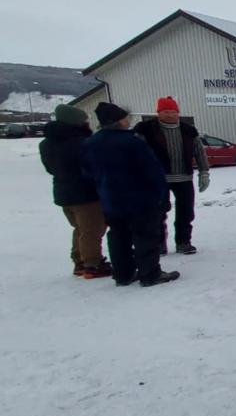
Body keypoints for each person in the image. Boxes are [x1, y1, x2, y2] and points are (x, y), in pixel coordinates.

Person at [81, 102, 179, 287]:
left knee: (118, 236)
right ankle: (150, 274)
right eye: (125, 117)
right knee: (145, 235)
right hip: (140, 199)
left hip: (110, 199)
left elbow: (87, 173)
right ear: (118, 121)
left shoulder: (90, 143)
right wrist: (161, 195)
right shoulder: (132, 142)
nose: (128, 120)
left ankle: (123, 274)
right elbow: (153, 171)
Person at [39, 104, 110, 279]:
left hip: (63, 192)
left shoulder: (46, 144)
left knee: (80, 228)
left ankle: (79, 260)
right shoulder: (83, 143)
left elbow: (50, 168)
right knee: (92, 229)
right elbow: (94, 167)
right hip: (86, 193)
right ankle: (92, 264)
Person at [133, 96, 209, 255]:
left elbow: (199, 152)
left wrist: (204, 172)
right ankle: (159, 243)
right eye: (166, 112)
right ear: (158, 113)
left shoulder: (188, 130)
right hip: (157, 179)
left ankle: (183, 242)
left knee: (186, 212)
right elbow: (136, 153)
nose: (170, 115)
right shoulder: (145, 129)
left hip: (184, 177)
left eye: (173, 112)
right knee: (158, 212)